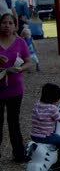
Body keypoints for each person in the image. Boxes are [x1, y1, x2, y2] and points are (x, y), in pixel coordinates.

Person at [0, 13, 33, 162]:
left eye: (10, 23)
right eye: (4, 23)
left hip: (14, 89)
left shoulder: (20, 42)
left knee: (14, 123)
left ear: (15, 26)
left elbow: (28, 61)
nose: (7, 25)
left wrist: (20, 69)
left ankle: (19, 154)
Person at [30, 83, 60, 168]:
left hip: (34, 135)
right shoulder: (52, 109)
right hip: (45, 136)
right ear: (56, 99)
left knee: (57, 139)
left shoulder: (37, 104)